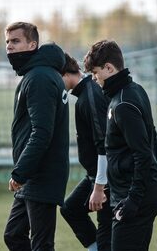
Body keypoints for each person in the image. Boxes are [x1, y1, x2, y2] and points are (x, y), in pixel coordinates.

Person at [85, 40, 157, 251]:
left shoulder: (122, 104)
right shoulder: (132, 90)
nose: (95, 79)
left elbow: (143, 153)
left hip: (135, 197)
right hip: (134, 193)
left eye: (95, 73)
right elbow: (152, 137)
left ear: (109, 68)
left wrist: (133, 199)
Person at [3, 22, 70, 251]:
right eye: (7, 42)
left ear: (32, 45)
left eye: (16, 41)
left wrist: (21, 171)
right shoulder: (35, 75)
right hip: (33, 176)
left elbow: (42, 132)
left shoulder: (40, 78)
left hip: (41, 174)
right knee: (13, 235)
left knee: (42, 245)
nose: (9, 47)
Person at [59, 53, 112, 251]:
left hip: (106, 178)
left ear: (65, 74)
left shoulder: (90, 95)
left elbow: (103, 144)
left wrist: (100, 187)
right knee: (71, 209)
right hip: (95, 175)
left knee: (107, 231)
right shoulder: (84, 94)